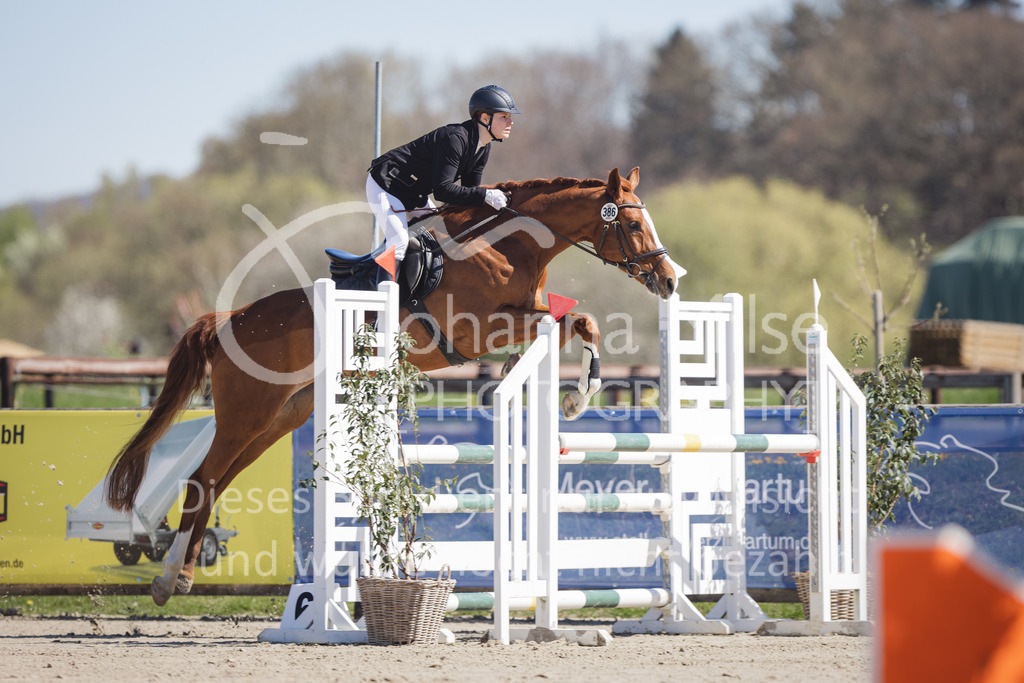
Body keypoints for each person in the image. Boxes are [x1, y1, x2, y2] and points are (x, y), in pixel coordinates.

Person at [366, 85, 521, 274]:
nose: (510, 122)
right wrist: (486, 195)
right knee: (399, 241)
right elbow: (443, 191)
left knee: (437, 238)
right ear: (484, 118)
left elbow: (469, 193)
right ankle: (385, 291)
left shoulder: (483, 148)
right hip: (386, 184)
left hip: (415, 194)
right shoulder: (455, 139)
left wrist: (493, 211)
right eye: (504, 116)